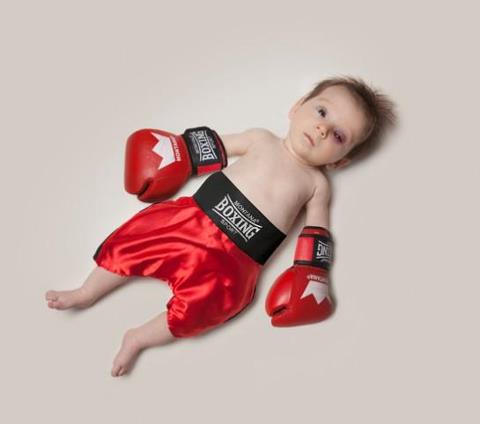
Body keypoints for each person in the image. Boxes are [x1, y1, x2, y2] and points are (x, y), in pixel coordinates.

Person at [45, 76, 397, 377]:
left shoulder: (317, 185)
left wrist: (312, 275)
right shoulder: (260, 139)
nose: (322, 129)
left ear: (341, 161)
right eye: (322, 112)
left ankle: (138, 338)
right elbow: (210, 147)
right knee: (135, 239)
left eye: (338, 136)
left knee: (205, 309)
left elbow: (317, 233)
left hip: (234, 263)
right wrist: (174, 153)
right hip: (193, 219)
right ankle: (86, 292)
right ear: (297, 106)